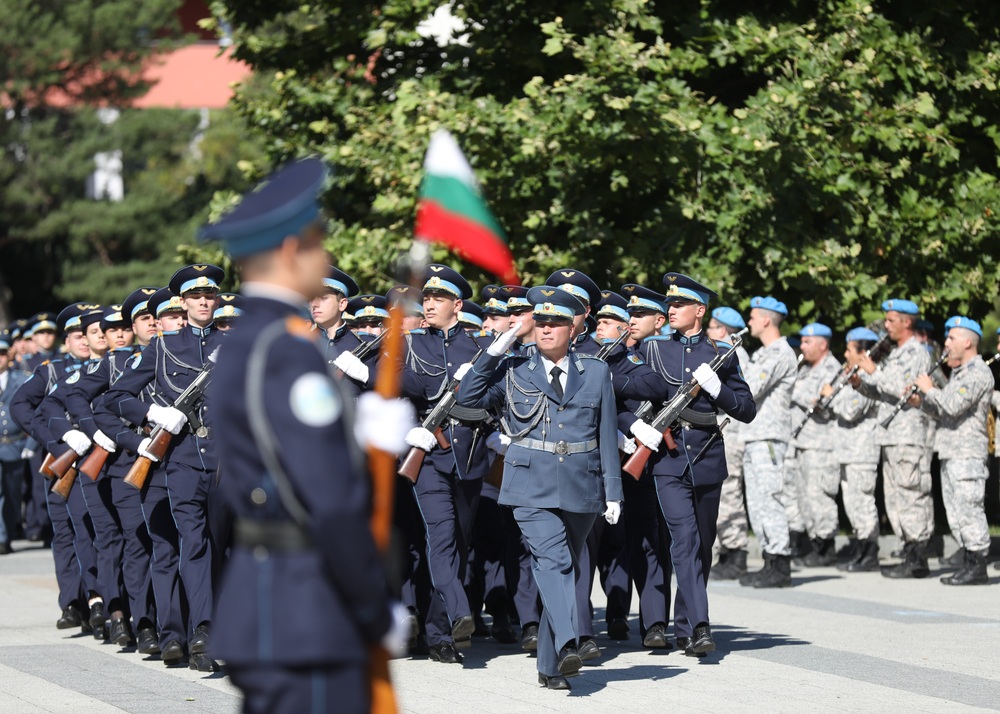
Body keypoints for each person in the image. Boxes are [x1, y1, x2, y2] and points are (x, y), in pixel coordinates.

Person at [199, 157, 412, 713]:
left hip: (270, 602)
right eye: (319, 241)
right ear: (293, 248)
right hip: (308, 608)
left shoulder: (248, 340)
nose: (326, 255)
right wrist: (371, 604)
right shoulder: (288, 350)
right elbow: (329, 497)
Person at [457, 286, 622, 690]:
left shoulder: (596, 371)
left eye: (556, 324)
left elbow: (605, 433)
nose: (547, 330)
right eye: (541, 323)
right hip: (529, 483)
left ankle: (550, 668)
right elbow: (468, 397)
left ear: (573, 329)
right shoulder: (513, 368)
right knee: (554, 563)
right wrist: (501, 344)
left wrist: (613, 491)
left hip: (582, 484)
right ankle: (569, 645)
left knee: (565, 569)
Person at [102, 264, 227, 667]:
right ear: (183, 302)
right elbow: (116, 397)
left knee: (224, 547)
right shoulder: (163, 347)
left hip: (227, 463)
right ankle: (202, 630)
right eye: (195, 296)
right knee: (193, 545)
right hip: (184, 461)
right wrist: (152, 413)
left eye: (209, 295)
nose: (204, 302)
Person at [634, 273, 755, 654]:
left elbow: (747, 409)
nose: (670, 310)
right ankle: (702, 627)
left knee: (702, 545)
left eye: (678, 305)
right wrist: (635, 425)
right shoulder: (654, 350)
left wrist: (719, 390)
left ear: (699, 311)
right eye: (669, 305)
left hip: (706, 459)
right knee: (683, 541)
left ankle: (685, 625)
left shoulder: (721, 353)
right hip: (667, 461)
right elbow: (628, 395)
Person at [399, 264, 493, 664]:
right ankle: (452, 617)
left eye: (438, 298)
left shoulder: (477, 349)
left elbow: (495, 401)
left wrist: (474, 391)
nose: (430, 304)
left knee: (458, 541)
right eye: (427, 298)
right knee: (439, 536)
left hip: (470, 459)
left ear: (457, 304)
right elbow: (394, 386)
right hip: (430, 458)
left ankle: (442, 629)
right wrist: (413, 426)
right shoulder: (409, 344)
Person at [849, 299, 934, 579]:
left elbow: (907, 392)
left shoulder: (917, 353)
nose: (886, 326)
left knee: (911, 495)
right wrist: (861, 384)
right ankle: (908, 551)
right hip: (891, 434)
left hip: (909, 435)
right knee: (896, 498)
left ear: (907, 322)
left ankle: (918, 556)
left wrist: (875, 372)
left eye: (890, 320)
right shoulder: (897, 355)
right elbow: (884, 394)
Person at [911, 317, 993, 585]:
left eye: (951, 338)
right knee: (957, 512)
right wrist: (921, 401)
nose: (946, 344)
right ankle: (969, 560)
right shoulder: (961, 373)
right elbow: (943, 410)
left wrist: (929, 389)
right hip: (951, 451)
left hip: (967, 453)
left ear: (967, 342)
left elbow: (953, 404)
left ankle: (977, 565)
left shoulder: (978, 373)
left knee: (969, 510)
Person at [739, 296, 798, 588]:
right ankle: (768, 558)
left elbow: (750, 388)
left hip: (769, 437)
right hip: (755, 435)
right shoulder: (764, 353)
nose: (748, 321)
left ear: (765, 320)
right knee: (757, 501)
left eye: (752, 316)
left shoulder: (779, 354)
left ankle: (780, 562)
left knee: (770, 499)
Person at [823, 327, 882, 571]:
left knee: (862, 503)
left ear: (863, 352)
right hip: (847, 450)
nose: (846, 354)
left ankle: (870, 552)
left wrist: (831, 395)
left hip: (862, 451)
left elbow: (851, 409)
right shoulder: (852, 375)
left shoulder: (868, 378)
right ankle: (861, 547)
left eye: (849, 349)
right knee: (852, 503)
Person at [789, 323, 842, 566]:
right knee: (804, 497)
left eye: (807, 342)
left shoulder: (833, 369)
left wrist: (795, 389)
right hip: (803, 443)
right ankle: (813, 543)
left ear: (823, 344)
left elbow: (822, 402)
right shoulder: (805, 370)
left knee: (819, 496)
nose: (802, 346)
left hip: (822, 445)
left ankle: (825, 546)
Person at [705, 307, 752, 579]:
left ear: (723, 330)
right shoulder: (724, 350)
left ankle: (736, 551)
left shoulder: (733, 353)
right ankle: (726, 551)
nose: (709, 331)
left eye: (712, 326)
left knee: (730, 492)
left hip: (732, 430)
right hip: (725, 429)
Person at [0, 330, 30, 554]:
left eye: (1, 353)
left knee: (12, 494)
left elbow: (31, 412)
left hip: (15, 444)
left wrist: (30, 444)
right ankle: (1, 537)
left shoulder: (21, 379)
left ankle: (8, 532)